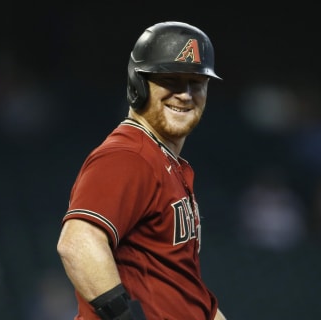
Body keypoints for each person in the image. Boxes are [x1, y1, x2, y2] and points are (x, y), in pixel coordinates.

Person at [56, 21, 228, 320]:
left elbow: (183, 290)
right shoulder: (128, 154)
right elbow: (78, 243)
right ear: (138, 84)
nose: (185, 94)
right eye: (171, 81)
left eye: (195, 83)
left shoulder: (166, 163)